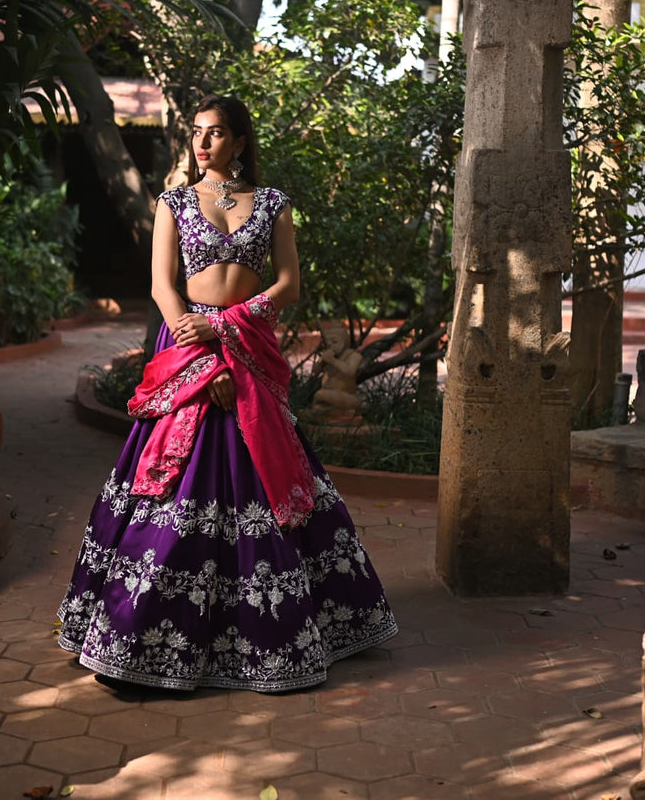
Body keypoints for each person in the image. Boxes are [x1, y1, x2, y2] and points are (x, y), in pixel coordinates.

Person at [56, 94, 397, 692]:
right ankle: (139, 634)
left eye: (216, 134)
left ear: (239, 142)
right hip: (187, 342)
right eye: (197, 133)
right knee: (169, 478)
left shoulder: (272, 205)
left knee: (266, 467)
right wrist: (198, 336)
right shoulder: (174, 202)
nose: (203, 143)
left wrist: (232, 322)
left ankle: (281, 629)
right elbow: (163, 285)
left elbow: (288, 284)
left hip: (245, 344)